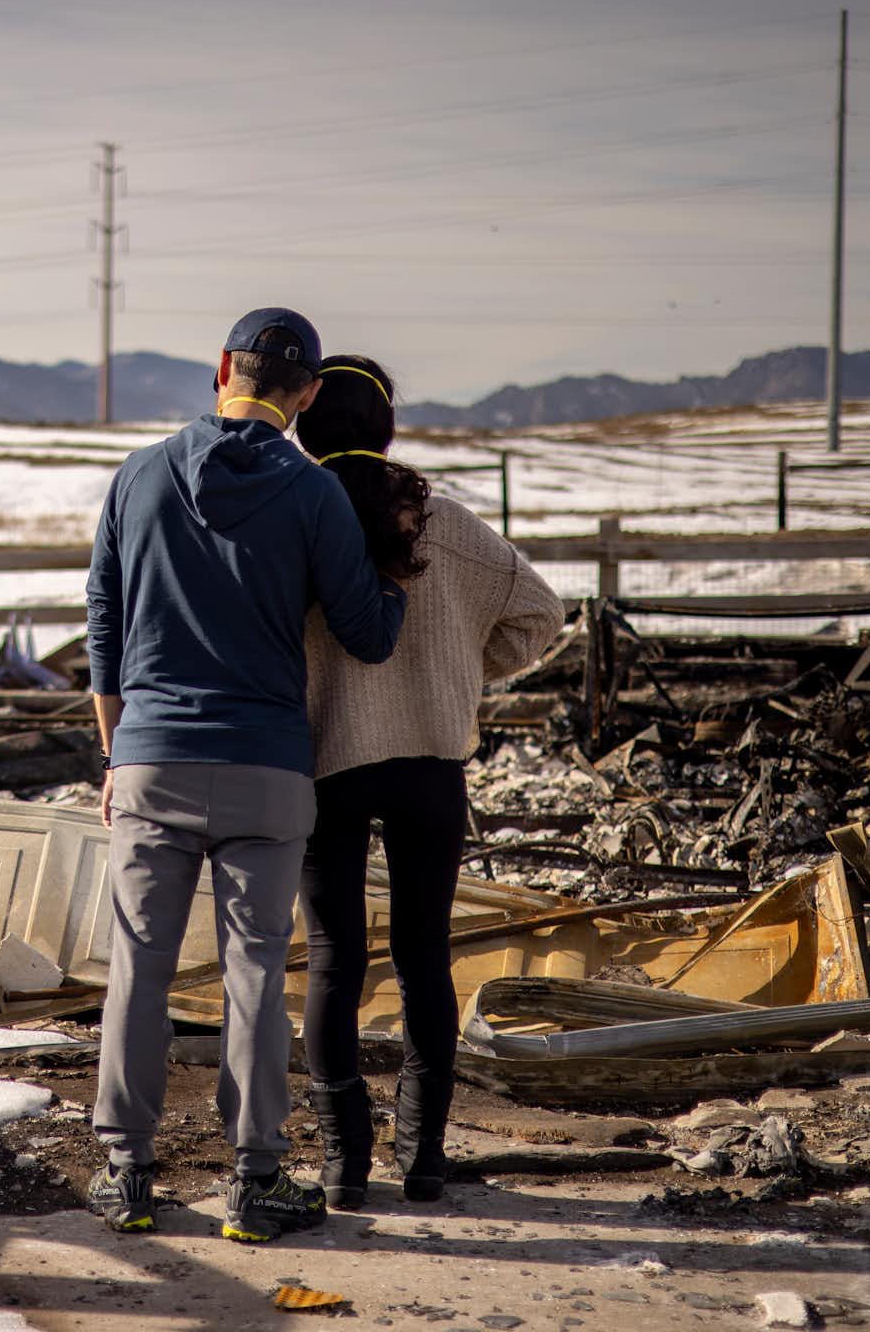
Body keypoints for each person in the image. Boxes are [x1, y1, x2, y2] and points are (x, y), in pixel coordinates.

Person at [83, 308, 407, 1243]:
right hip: (268, 766)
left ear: (221, 368)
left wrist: (116, 751)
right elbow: (370, 636)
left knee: (138, 968)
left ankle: (127, 1174)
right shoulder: (313, 495)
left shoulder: (138, 475)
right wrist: (394, 560)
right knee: (257, 972)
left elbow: (103, 626)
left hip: (149, 756)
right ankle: (256, 1179)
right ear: (304, 399)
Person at [291, 354, 563, 1206]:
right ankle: (425, 1160)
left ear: (301, 422)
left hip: (324, 765)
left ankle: (343, 1166)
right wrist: (460, 670)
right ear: (388, 430)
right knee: (424, 959)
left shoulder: (293, 514)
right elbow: (542, 615)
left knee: (334, 965)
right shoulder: (440, 521)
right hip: (431, 767)